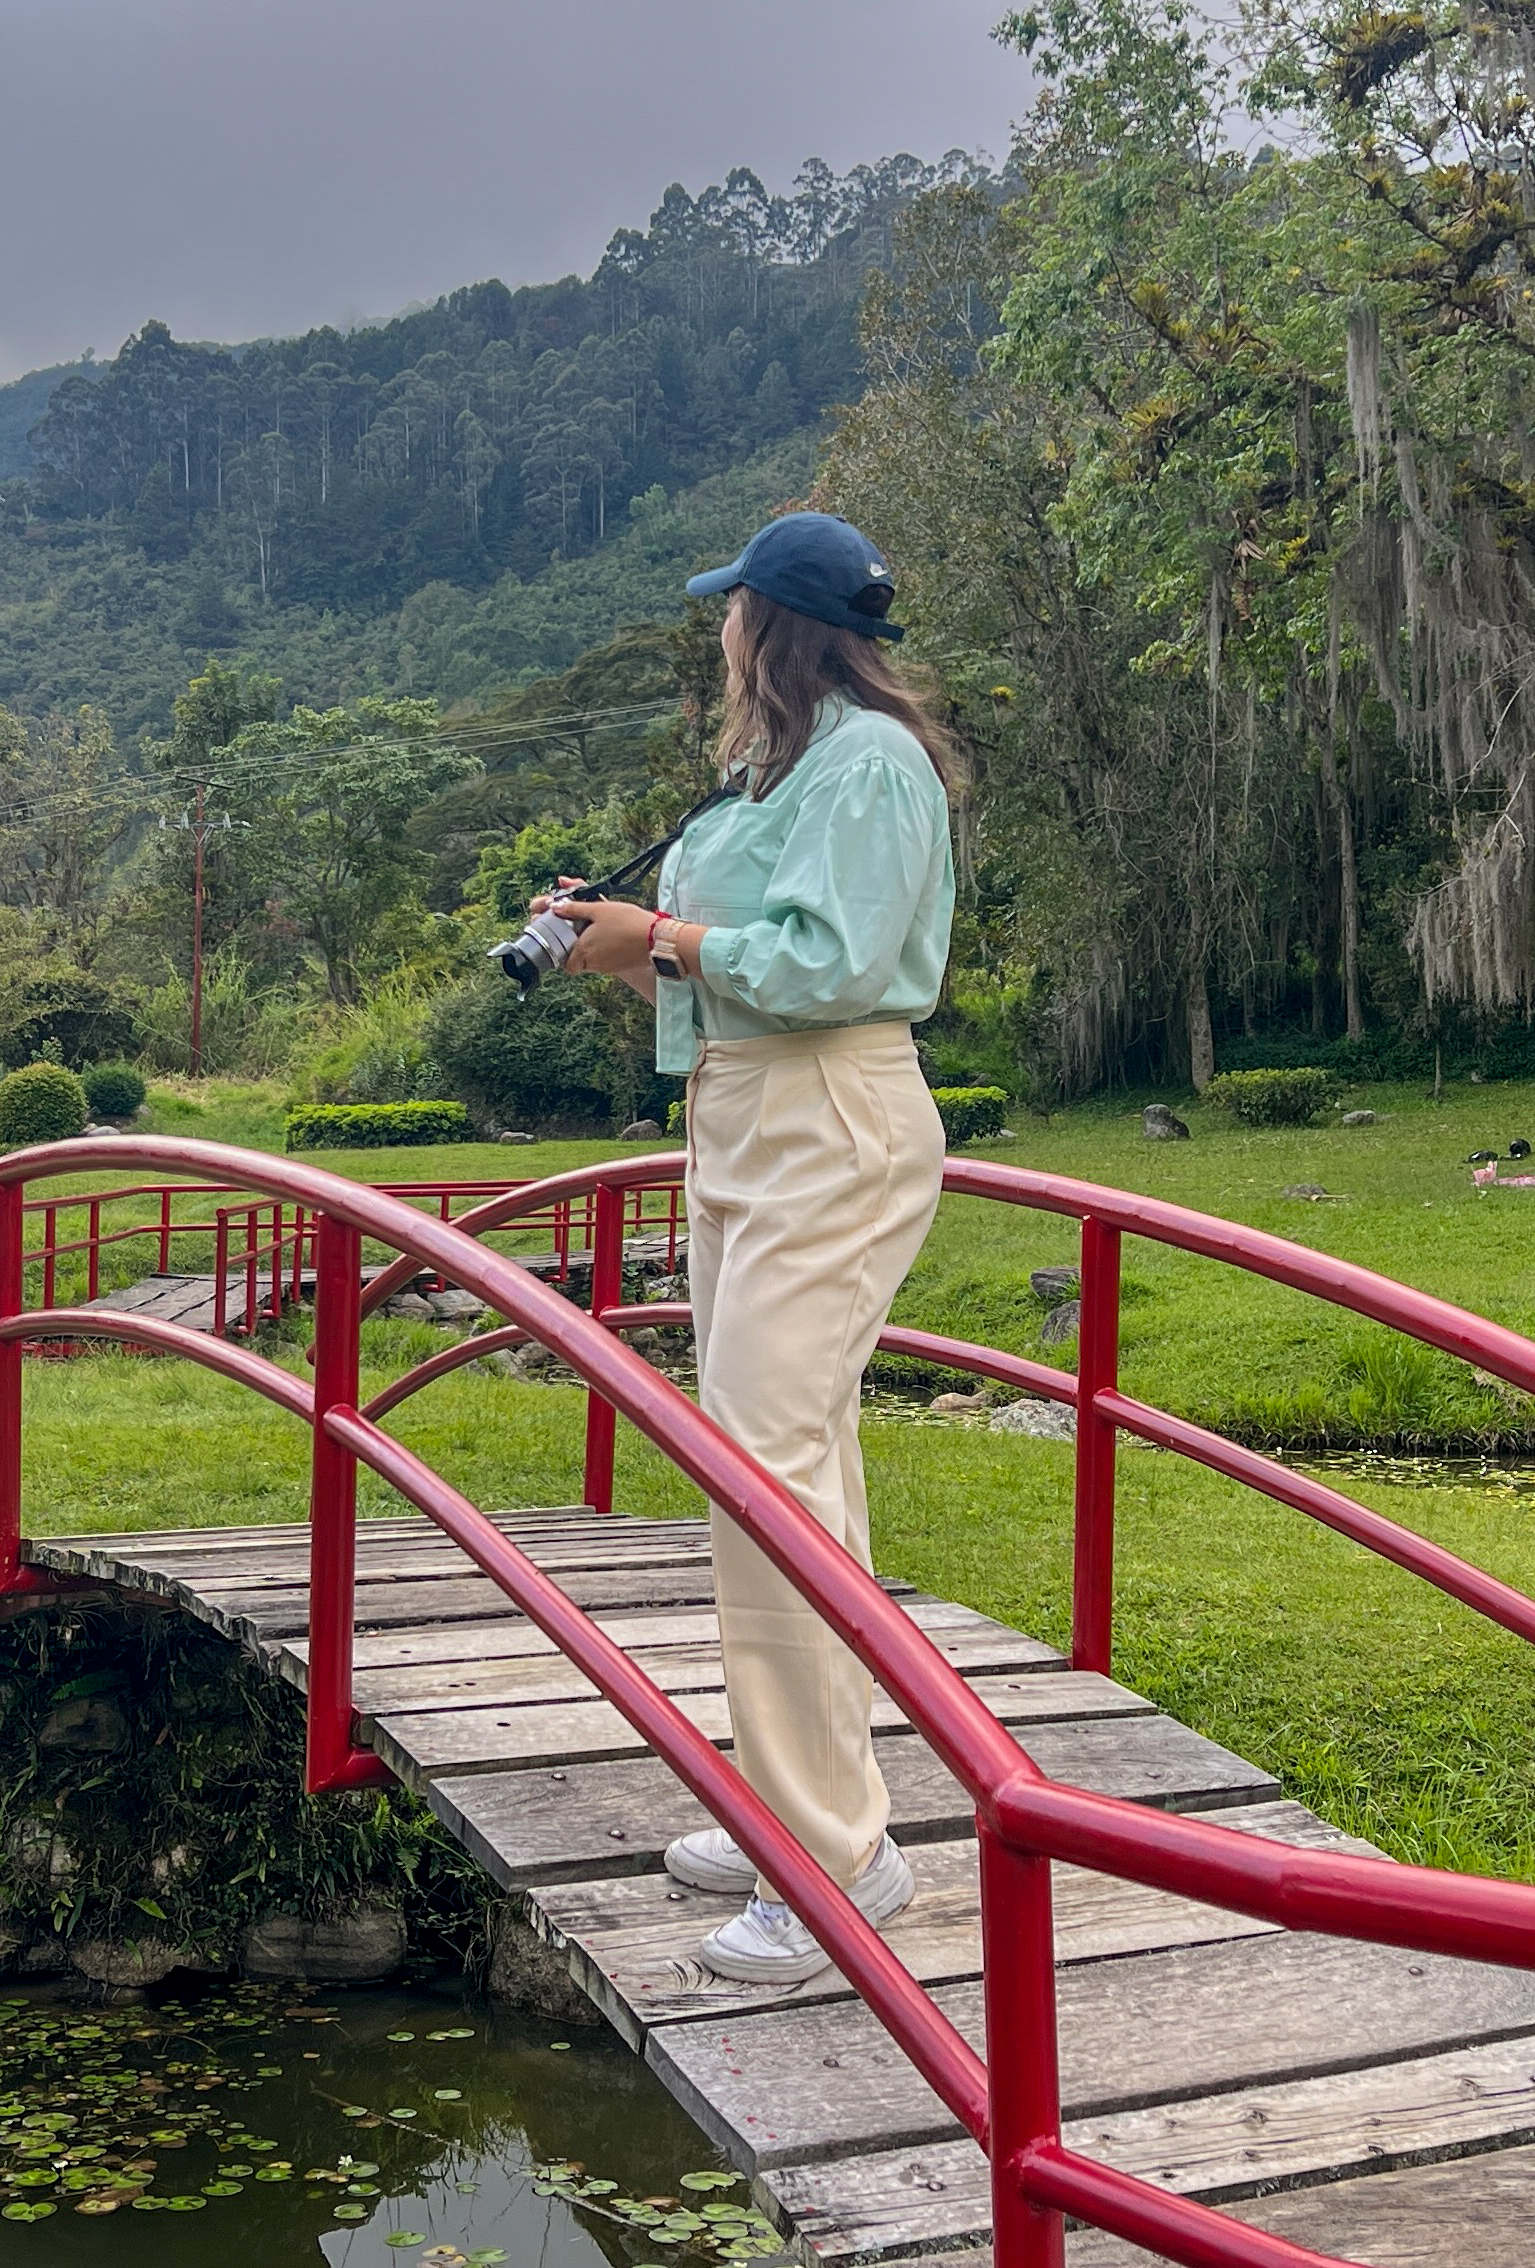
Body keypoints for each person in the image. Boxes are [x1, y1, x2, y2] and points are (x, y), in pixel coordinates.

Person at [531, 510, 962, 1985]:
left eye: (730, 612)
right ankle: (816, 1808)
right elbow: (728, 950)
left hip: (828, 1115)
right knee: (789, 1464)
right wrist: (622, 934)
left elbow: (827, 965)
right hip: (748, 1117)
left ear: (770, 623)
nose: (715, 632)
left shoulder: (870, 764)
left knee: (767, 1478)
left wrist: (660, 938)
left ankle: (831, 1862)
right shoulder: (774, 768)